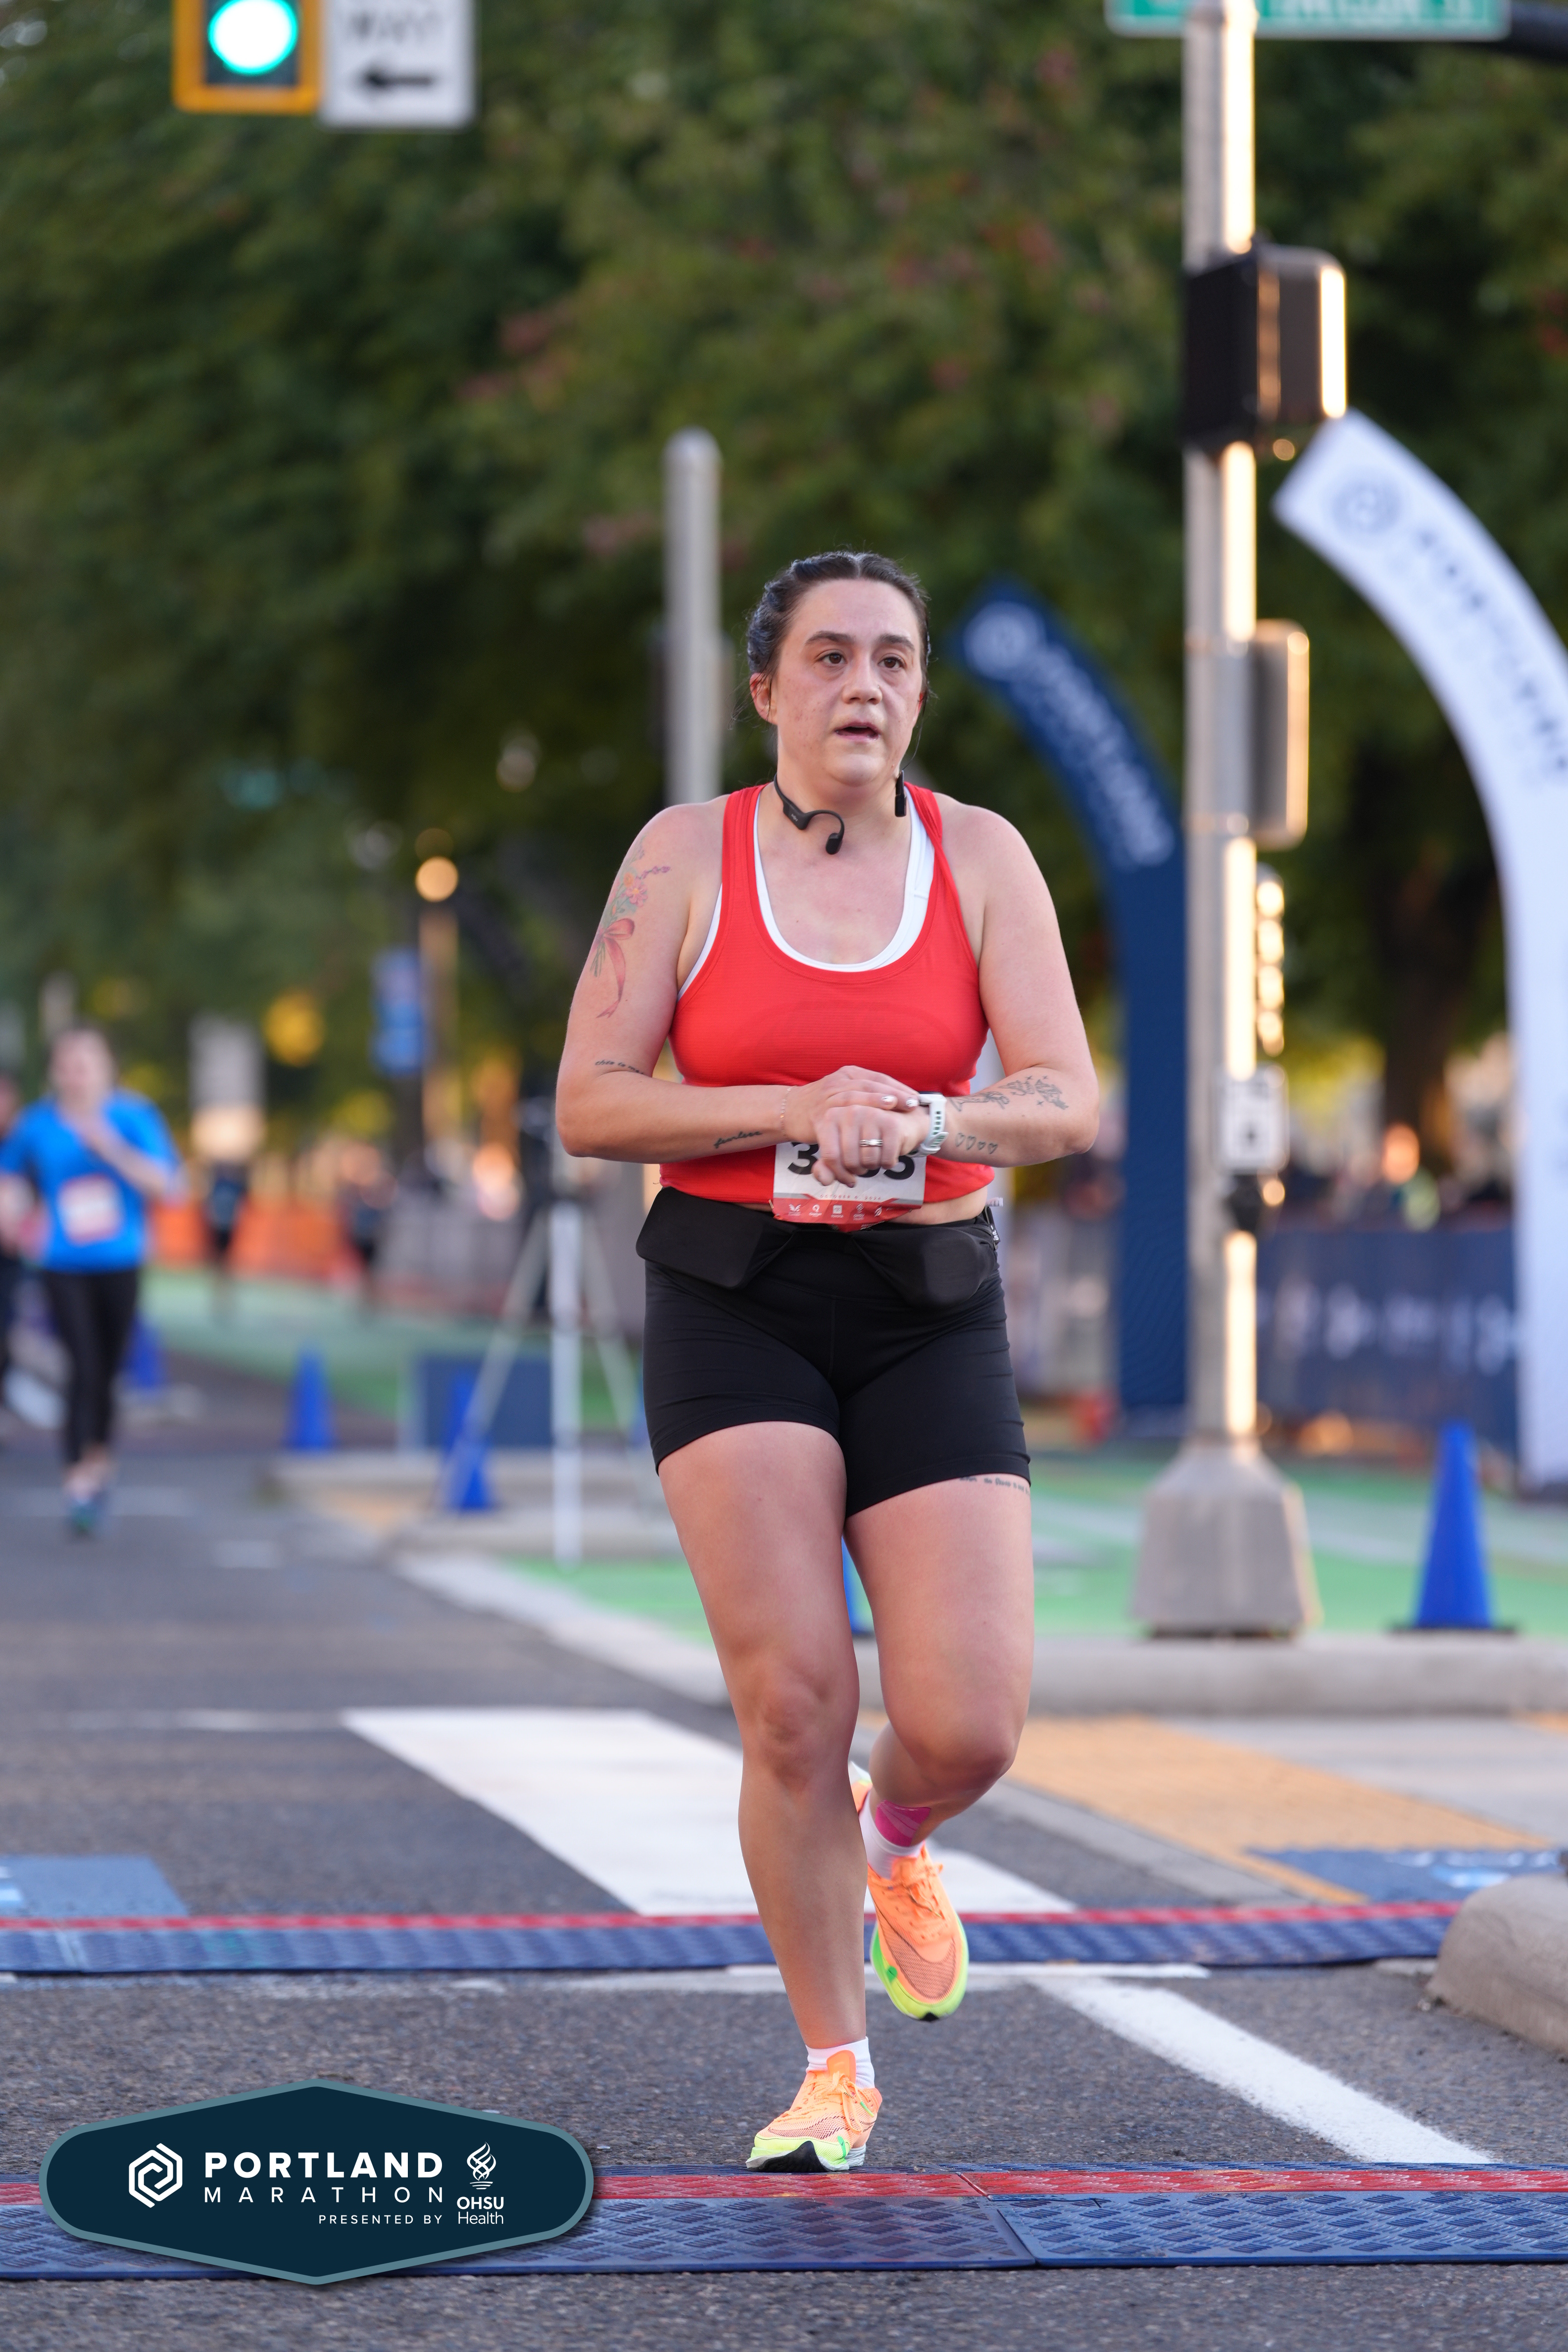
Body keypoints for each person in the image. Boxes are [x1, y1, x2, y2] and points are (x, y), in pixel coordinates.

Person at [556, 551, 1097, 2170]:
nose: (866, 684)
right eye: (831, 656)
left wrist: (931, 1119)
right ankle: (832, 2068)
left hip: (929, 1299)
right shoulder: (683, 854)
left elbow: (1062, 1097)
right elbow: (591, 1099)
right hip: (737, 1300)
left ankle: (899, 1829)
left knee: (969, 1721)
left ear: (918, 694)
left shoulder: (982, 857)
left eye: (895, 660)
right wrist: (788, 1107)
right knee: (794, 1699)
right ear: (767, 689)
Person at [0, 1027, 182, 1533]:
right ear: (55, 1070)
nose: (76, 1073)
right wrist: (11, 1211)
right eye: (67, 1063)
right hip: (62, 1261)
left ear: (107, 1067)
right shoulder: (38, 1124)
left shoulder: (133, 1116)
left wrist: (113, 1151)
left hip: (121, 1260)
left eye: (86, 1062)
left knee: (106, 1372)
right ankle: (77, 1478)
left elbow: (168, 1185)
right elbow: (11, 1176)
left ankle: (98, 1457)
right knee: (81, 1364)